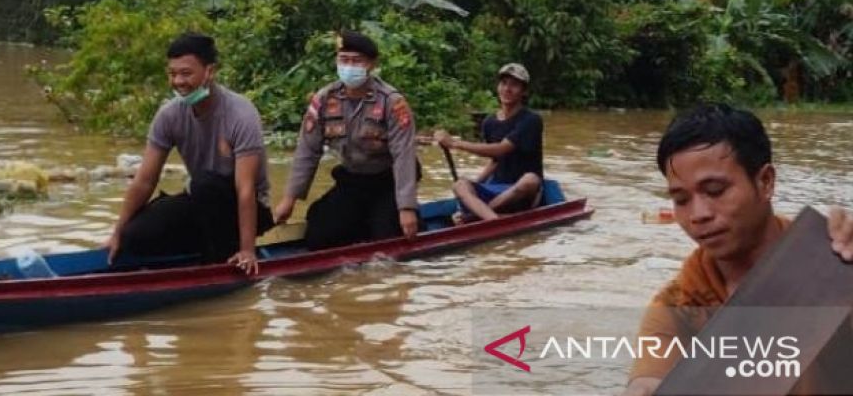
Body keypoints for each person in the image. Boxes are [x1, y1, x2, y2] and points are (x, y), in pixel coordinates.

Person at [622, 104, 853, 396]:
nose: (698, 214)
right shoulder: (678, 306)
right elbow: (646, 384)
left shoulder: (832, 263)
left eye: (715, 191)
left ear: (765, 182)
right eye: (681, 199)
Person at [105, 32, 273, 275]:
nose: (178, 81)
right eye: (172, 74)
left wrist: (248, 249)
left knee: (204, 183)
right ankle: (204, 247)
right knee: (136, 236)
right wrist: (118, 232)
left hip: (250, 209)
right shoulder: (169, 114)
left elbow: (245, 188)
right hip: (201, 201)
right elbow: (145, 180)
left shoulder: (241, 113)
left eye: (186, 73)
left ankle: (220, 261)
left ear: (209, 72)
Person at [273, 30, 420, 249]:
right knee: (319, 231)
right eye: (344, 60)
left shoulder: (391, 102)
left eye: (356, 61)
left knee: (390, 241)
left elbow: (404, 155)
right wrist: (289, 199)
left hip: (387, 182)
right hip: (352, 181)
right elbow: (307, 150)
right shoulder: (324, 99)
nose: (349, 66)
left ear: (371, 64)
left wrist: (406, 208)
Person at [434, 62, 543, 222]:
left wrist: (455, 143)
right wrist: (471, 189)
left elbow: (501, 149)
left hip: (523, 192)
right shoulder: (489, 122)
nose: (507, 89)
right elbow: (495, 162)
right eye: (503, 83)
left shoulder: (531, 120)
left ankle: (476, 218)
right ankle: (492, 218)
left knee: (530, 179)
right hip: (497, 189)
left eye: (514, 85)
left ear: (524, 91)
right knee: (460, 185)